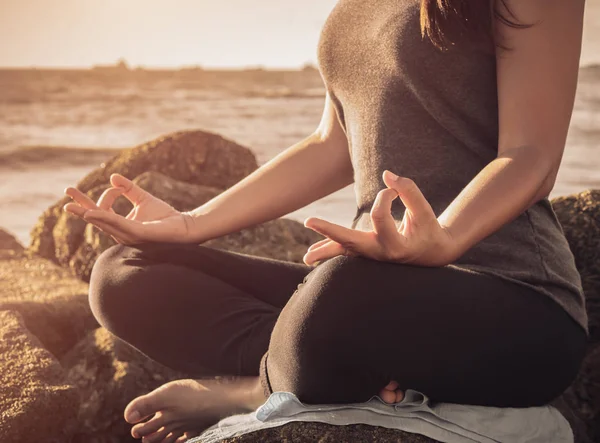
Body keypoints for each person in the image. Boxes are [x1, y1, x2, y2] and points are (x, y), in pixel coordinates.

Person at [63, 0, 590, 442]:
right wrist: (189, 224)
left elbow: (530, 154)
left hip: (515, 304)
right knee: (123, 273)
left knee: (340, 292)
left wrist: (444, 240)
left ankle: (252, 390)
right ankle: (313, 363)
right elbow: (333, 145)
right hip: (374, 292)